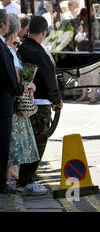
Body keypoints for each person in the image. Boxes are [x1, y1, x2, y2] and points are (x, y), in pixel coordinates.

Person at [16, 15, 63, 192]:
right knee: (38, 143)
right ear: (44, 32)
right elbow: (50, 81)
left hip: (21, 102)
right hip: (39, 105)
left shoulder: (21, 47)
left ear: (28, 29)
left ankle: (23, 179)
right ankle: (27, 181)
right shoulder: (40, 53)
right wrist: (57, 100)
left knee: (26, 142)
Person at [4, 14, 40, 191]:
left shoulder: (10, 48)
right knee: (13, 147)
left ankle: (10, 179)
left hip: (11, 102)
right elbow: (16, 79)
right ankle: (10, 181)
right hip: (14, 105)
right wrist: (29, 85)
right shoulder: (9, 51)